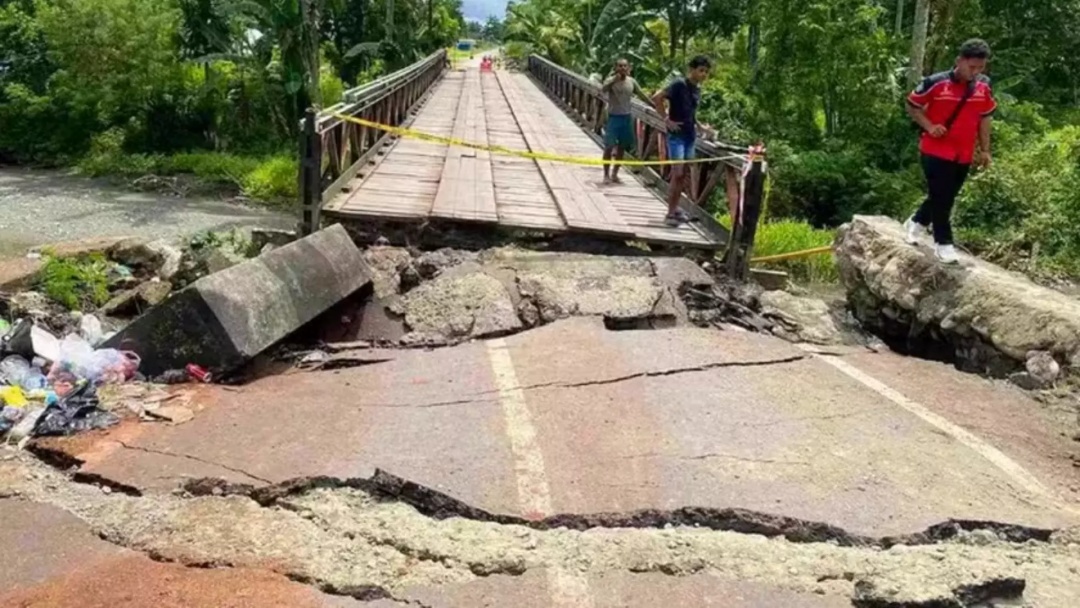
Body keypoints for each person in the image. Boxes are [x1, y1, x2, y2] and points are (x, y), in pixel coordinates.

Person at [905, 38, 996, 264]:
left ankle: (915, 222)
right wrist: (929, 125)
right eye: (971, 67)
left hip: (963, 153)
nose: (975, 72)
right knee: (943, 197)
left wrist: (985, 150)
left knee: (945, 194)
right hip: (935, 150)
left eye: (980, 68)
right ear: (959, 61)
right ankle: (943, 243)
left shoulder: (983, 86)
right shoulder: (935, 83)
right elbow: (912, 104)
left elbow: (985, 118)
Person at [652, 55, 714, 226]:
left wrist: (701, 127)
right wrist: (666, 119)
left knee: (683, 175)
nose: (703, 74)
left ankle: (675, 208)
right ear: (692, 70)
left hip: (690, 136)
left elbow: (691, 113)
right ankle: (670, 213)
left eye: (706, 72)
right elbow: (657, 97)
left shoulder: (697, 90)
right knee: (678, 173)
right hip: (676, 135)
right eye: (701, 70)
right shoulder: (679, 84)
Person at [600, 58, 650, 184]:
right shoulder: (611, 80)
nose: (622, 68)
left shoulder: (632, 81)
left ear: (628, 68)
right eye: (620, 66)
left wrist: (653, 105)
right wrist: (613, 80)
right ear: (616, 68)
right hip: (613, 117)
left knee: (622, 147)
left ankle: (615, 173)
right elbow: (603, 89)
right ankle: (606, 174)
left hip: (626, 117)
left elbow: (641, 94)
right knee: (609, 146)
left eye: (625, 66)